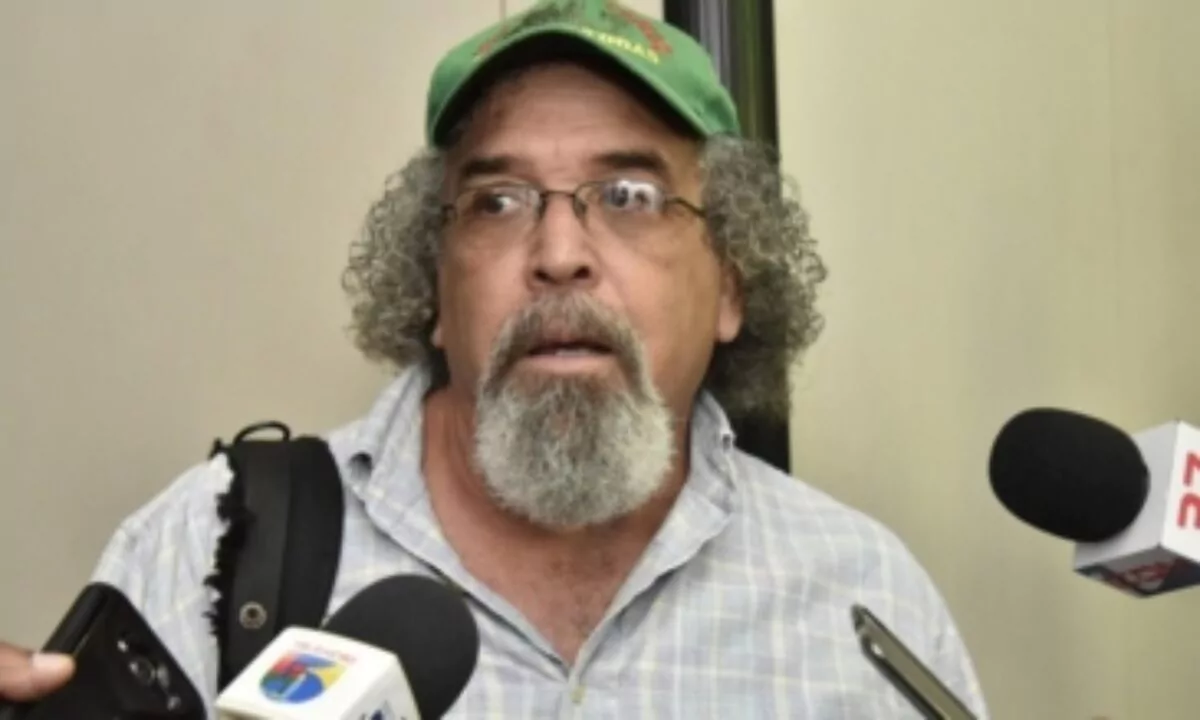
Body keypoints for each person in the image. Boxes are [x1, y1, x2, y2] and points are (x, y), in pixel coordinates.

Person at [0, 0, 989, 716]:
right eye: (498, 201)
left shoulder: (863, 603)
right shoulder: (214, 548)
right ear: (434, 288)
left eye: (629, 195)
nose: (558, 254)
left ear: (732, 281)